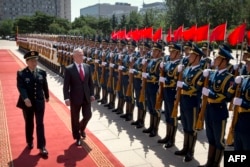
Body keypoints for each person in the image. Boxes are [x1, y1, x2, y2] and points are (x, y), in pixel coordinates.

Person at [198, 47, 234, 167]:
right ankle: (209, 162)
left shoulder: (229, 77)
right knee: (211, 138)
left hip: (219, 111)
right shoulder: (212, 74)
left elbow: (227, 97)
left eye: (218, 58)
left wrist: (211, 94)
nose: (215, 59)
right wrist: (203, 76)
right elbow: (199, 86)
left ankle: (216, 164)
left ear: (224, 61)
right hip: (208, 109)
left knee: (219, 140)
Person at [16, 51, 49, 157]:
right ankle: (29, 140)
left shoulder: (42, 72)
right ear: (27, 61)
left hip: (39, 102)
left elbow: (45, 85)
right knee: (29, 123)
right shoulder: (21, 73)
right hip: (27, 103)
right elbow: (21, 87)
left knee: (40, 123)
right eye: (33, 61)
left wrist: (47, 96)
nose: (35, 63)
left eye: (36, 60)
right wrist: (25, 98)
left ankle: (42, 146)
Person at [63, 48, 95, 146]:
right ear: (74, 56)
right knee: (75, 118)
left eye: (83, 54)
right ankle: (77, 137)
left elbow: (90, 82)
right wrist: (66, 98)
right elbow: (66, 85)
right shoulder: (69, 69)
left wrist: (92, 94)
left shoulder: (87, 67)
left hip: (86, 96)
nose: (82, 57)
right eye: (80, 55)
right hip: (75, 97)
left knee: (88, 115)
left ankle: (81, 128)